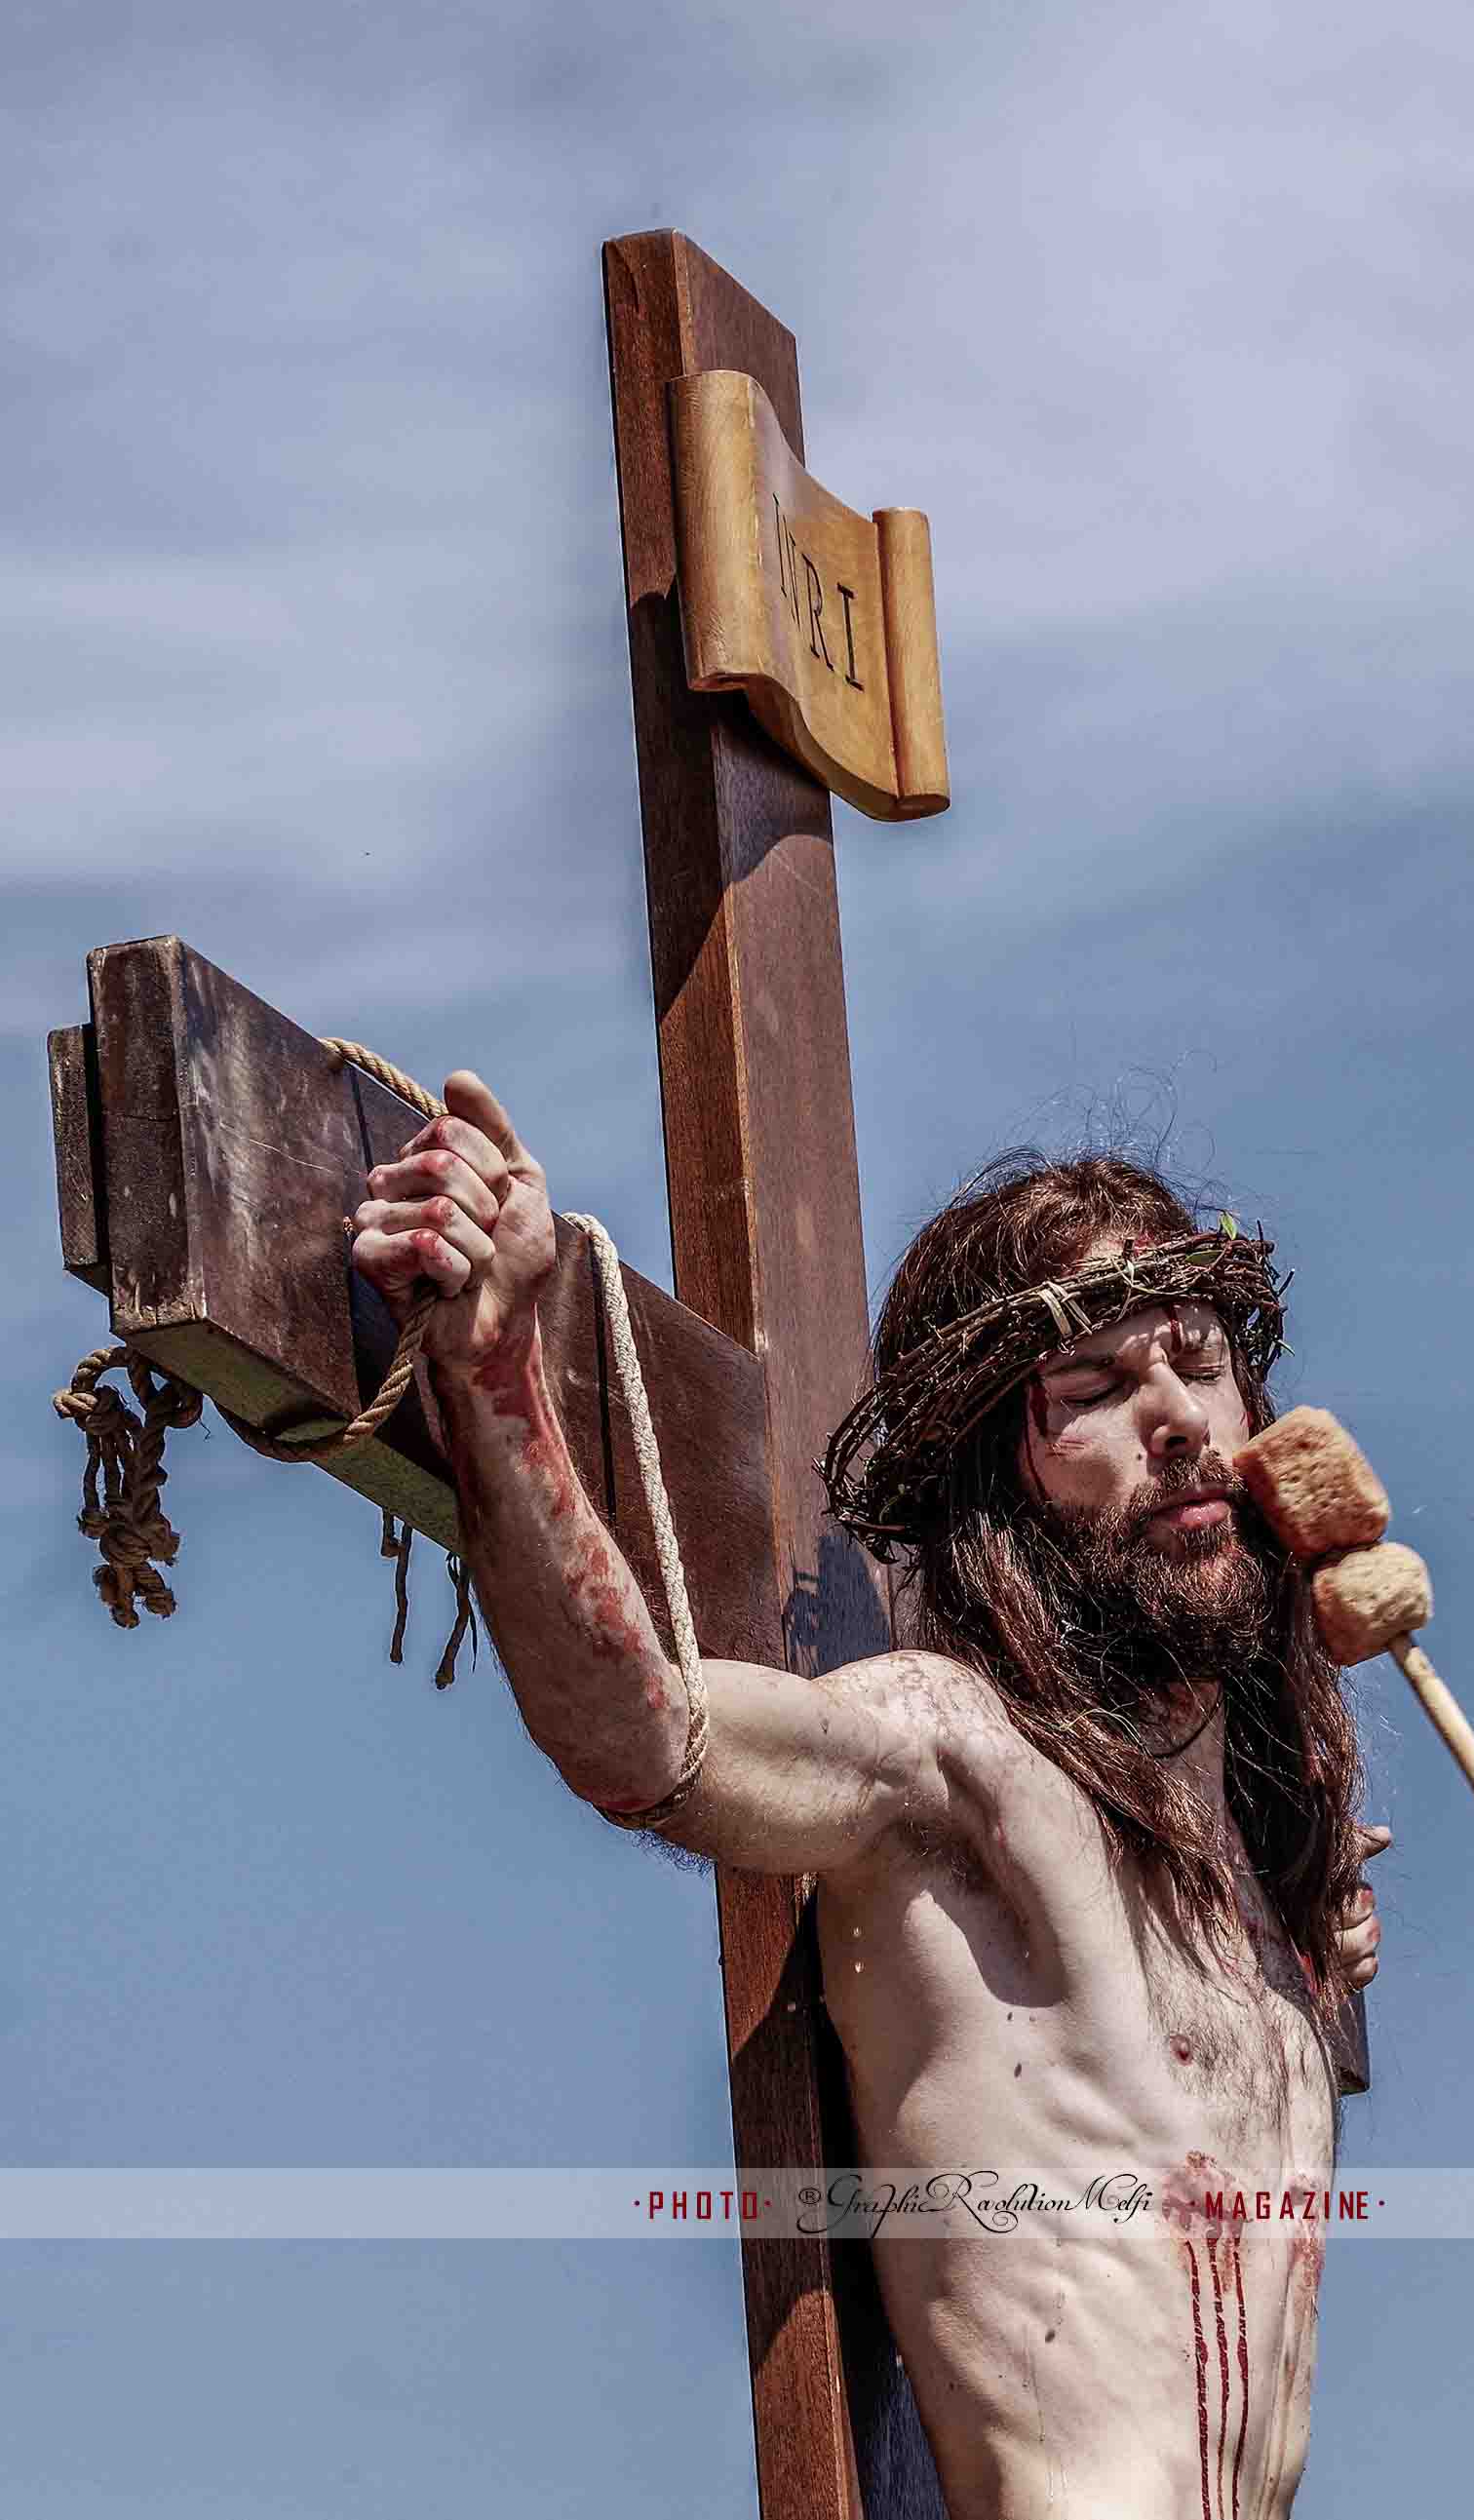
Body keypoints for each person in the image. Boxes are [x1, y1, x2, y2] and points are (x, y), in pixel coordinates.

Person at [350, 1075, 1387, 2520]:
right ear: (998, 1481)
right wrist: (498, 1374)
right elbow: (646, 1735)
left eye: (1199, 1360)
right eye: (1091, 1389)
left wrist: (1318, 1933)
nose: (1178, 1419)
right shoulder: (953, 1757)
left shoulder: (1269, 1914)